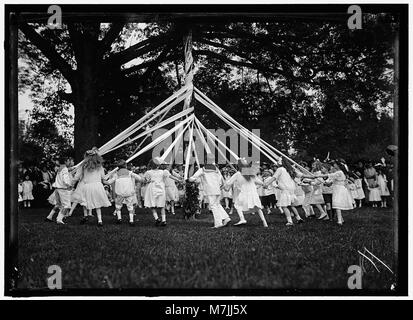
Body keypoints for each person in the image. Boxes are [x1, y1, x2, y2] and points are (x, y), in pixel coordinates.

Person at [189, 155, 231, 228]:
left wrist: (187, 180)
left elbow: (194, 178)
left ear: (205, 161)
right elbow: (220, 179)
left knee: (213, 206)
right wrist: (221, 186)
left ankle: (218, 223)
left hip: (210, 190)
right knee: (217, 204)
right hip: (217, 189)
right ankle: (226, 218)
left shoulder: (202, 169)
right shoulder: (216, 169)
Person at [72, 148, 111, 226]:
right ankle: (100, 220)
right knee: (98, 204)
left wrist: (71, 183)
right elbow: (104, 178)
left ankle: (85, 216)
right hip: (98, 186)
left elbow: (76, 177)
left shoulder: (83, 166)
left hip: (87, 186)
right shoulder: (100, 167)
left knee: (85, 202)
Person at [224, 158, 268, 227]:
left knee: (237, 205)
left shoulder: (238, 174)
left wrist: (223, 186)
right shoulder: (250, 173)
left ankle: (242, 219)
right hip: (253, 192)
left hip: (244, 192)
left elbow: (229, 182)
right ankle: (264, 222)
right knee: (257, 207)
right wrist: (263, 184)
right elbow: (257, 180)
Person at [312, 160, 354, 225]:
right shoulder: (338, 172)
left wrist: (318, 176)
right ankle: (341, 219)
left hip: (339, 189)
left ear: (338, 165)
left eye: (335, 164)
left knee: (337, 204)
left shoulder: (339, 172)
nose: (334, 166)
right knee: (337, 204)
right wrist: (326, 182)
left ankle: (339, 221)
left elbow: (329, 175)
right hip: (337, 189)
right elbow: (331, 181)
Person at [144, 157, 181, 227]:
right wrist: (179, 180)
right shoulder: (163, 172)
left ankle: (157, 218)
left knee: (152, 205)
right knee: (162, 206)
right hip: (161, 188)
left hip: (152, 188)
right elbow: (171, 176)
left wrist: (148, 181)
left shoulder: (148, 172)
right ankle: (164, 220)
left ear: (150, 165)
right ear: (158, 165)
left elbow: (145, 180)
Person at [105, 159, 144, 226]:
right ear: (125, 166)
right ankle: (131, 220)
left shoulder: (116, 174)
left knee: (118, 205)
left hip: (120, 193)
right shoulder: (129, 173)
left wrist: (103, 181)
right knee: (130, 206)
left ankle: (119, 218)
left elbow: (109, 182)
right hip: (129, 192)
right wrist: (143, 179)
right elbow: (139, 178)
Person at [264, 157, 297, 226]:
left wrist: (267, 184)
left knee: (284, 206)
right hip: (291, 190)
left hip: (285, 190)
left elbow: (274, 177)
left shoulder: (280, 169)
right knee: (291, 205)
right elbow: (300, 175)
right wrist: (312, 177)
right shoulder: (289, 169)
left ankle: (290, 221)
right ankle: (299, 218)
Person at [45, 157, 73, 224]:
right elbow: (65, 178)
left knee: (58, 204)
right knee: (66, 205)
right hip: (63, 189)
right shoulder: (65, 169)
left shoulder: (59, 168)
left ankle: (49, 217)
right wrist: (68, 185)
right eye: (68, 161)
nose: (69, 162)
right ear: (65, 161)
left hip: (57, 189)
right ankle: (59, 219)